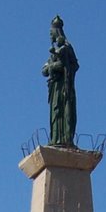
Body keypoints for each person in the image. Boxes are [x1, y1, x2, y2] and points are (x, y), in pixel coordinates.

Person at [42, 15, 78, 146]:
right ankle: (56, 138)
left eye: (51, 33)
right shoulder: (53, 54)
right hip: (55, 87)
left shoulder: (67, 48)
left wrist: (59, 66)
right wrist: (51, 66)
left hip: (64, 87)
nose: (50, 36)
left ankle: (65, 139)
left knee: (64, 111)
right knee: (55, 112)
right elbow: (44, 71)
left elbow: (74, 65)